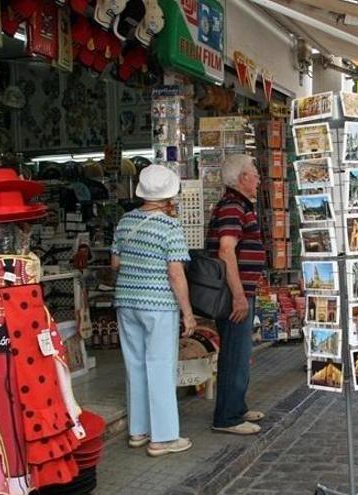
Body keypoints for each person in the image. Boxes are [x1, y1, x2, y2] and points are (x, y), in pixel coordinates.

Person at [111, 164, 197, 457]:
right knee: (160, 366)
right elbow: (176, 273)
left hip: (126, 301)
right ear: (169, 195)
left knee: (134, 365)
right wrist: (187, 311)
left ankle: (138, 431)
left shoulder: (124, 221)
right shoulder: (170, 226)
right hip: (158, 304)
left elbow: (115, 265)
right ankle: (163, 437)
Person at [207, 154, 266, 435]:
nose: (258, 178)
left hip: (239, 290)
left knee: (240, 353)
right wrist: (239, 295)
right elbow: (226, 250)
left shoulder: (238, 204)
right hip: (234, 293)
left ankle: (237, 407)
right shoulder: (233, 206)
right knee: (234, 353)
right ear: (242, 177)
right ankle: (227, 417)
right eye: (254, 173)